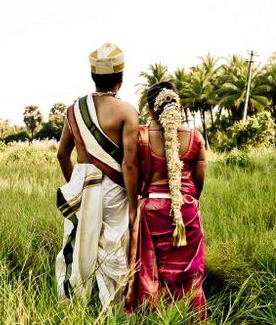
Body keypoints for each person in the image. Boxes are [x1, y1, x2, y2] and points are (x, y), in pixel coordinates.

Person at [54, 42, 141, 308]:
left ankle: (76, 301)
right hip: (114, 190)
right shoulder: (127, 111)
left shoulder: (73, 110)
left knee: (82, 241)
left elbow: (61, 154)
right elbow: (128, 164)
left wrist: (77, 186)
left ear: (93, 76)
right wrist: (134, 206)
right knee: (113, 244)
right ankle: (112, 307)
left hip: (82, 185)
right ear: (121, 78)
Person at [125, 81, 208, 317]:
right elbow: (199, 181)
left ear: (151, 110)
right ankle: (190, 318)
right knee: (188, 276)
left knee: (154, 274)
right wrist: (186, 202)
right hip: (186, 212)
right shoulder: (195, 137)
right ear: (176, 105)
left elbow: (132, 170)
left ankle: (156, 318)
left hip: (152, 213)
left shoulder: (141, 136)